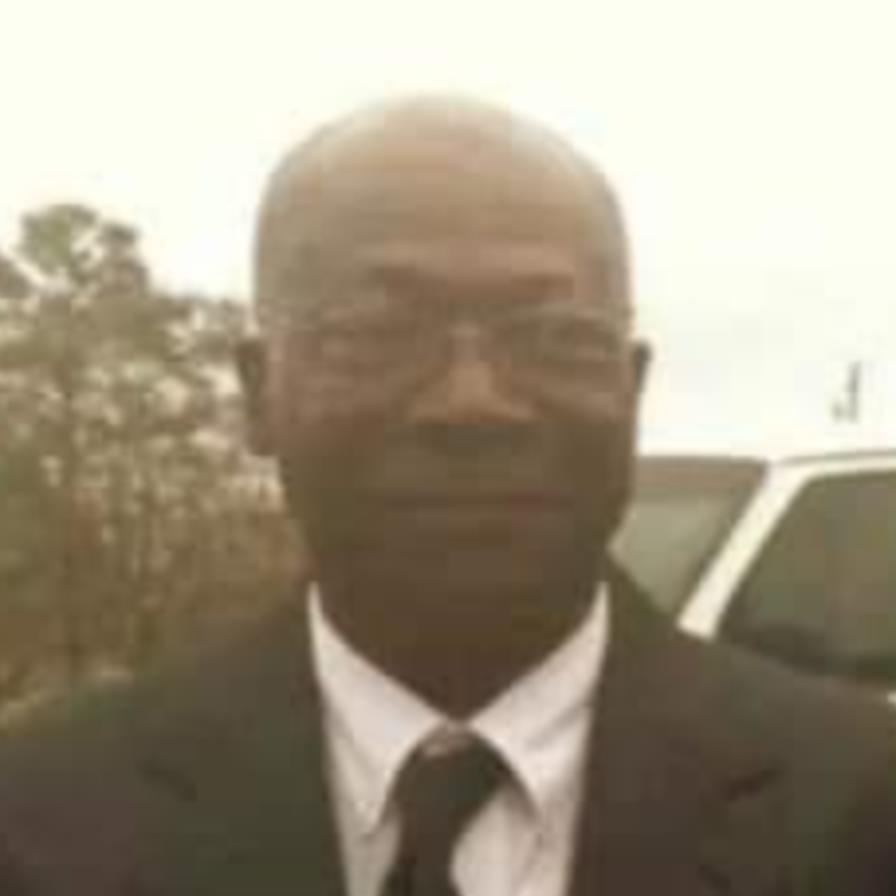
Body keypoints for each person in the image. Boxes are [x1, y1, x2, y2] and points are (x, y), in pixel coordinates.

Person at [0, 97, 894, 896]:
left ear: (630, 390)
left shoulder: (861, 810)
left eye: (552, 335)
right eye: (378, 333)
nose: (473, 403)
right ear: (259, 393)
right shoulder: (43, 819)